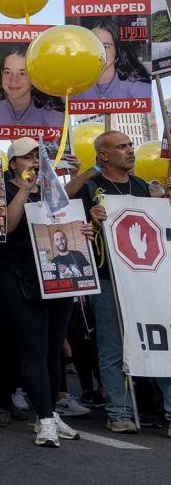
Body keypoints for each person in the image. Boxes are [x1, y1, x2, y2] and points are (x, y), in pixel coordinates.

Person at [70, 130, 171, 434]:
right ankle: (118, 411)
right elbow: (69, 218)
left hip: (147, 278)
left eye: (131, 146)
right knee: (114, 347)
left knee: (161, 342)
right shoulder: (90, 187)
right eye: (122, 147)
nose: (130, 151)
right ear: (103, 155)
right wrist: (91, 220)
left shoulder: (141, 186)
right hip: (108, 276)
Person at [0, 137, 89, 446]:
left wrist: (85, 228)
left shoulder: (52, 191)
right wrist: (24, 189)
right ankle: (46, 420)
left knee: (51, 349)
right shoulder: (4, 189)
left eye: (39, 156)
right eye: (28, 156)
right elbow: (7, 226)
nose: (35, 161)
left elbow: (68, 225)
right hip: (16, 272)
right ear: (13, 164)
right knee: (33, 346)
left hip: (54, 274)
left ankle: (47, 411)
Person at [72, 17, 151, 103]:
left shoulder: (141, 90)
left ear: (117, 50)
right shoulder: (75, 91)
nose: (99, 52)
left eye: (106, 47)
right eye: (93, 45)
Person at [0, 49, 63, 130]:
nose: (13, 80)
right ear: (1, 73)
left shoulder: (53, 116)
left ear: (34, 77)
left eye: (22, 73)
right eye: (8, 72)